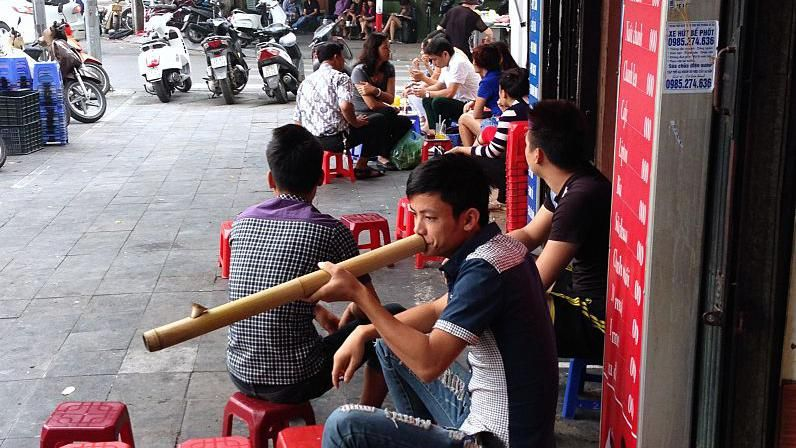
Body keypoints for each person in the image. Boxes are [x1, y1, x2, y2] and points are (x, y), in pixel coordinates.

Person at [314, 155, 558, 447]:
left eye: (429, 218)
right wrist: (363, 330)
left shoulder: (485, 271)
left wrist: (360, 296)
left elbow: (428, 363)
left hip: (497, 439)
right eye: (416, 214)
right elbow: (436, 308)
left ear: (469, 219)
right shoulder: (500, 247)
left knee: (345, 426)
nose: (418, 229)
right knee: (387, 346)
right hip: (485, 411)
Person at [226, 124, 404, 406]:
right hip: (296, 378)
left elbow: (270, 282)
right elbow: (370, 306)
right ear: (321, 178)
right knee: (391, 317)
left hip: (239, 370)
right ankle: (364, 413)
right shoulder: (330, 231)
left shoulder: (241, 222)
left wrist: (321, 313)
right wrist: (350, 318)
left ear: (270, 178)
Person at [508, 100, 611, 361]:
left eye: (526, 143)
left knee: (500, 305)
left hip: (596, 318)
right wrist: (479, 253)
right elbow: (530, 235)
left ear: (538, 154)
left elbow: (536, 282)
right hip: (578, 290)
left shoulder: (580, 196)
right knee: (492, 278)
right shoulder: (574, 180)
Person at [293, 42, 386, 179]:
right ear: (336, 57)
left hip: (310, 139)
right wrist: (355, 122)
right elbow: (345, 106)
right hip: (335, 140)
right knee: (377, 120)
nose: (344, 61)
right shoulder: (340, 77)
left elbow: (297, 118)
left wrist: (303, 141)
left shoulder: (306, 82)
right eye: (343, 57)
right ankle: (361, 166)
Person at [448, 68, 530, 207]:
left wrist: (462, 149)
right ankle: (502, 197)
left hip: (516, 170)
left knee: (471, 160)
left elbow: (493, 151)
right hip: (525, 164)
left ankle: (475, 203)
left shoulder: (511, 114)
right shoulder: (527, 107)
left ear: (503, 93)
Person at [351, 33, 413, 171]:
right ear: (374, 49)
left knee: (404, 122)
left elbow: (390, 98)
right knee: (384, 116)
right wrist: (387, 104)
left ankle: (384, 152)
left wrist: (375, 90)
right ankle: (380, 156)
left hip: (382, 110)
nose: (389, 51)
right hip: (362, 112)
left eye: (389, 47)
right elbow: (371, 104)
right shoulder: (359, 71)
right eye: (385, 48)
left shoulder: (389, 68)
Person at [411, 38, 480, 132]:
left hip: (468, 103)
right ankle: (433, 131)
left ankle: (442, 131)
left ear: (445, 54)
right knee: (427, 100)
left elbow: (450, 93)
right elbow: (439, 86)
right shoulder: (445, 63)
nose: (434, 63)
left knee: (438, 102)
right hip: (457, 100)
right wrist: (419, 91)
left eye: (435, 59)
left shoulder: (458, 63)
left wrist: (427, 92)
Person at [457, 44, 502, 147]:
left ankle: (469, 153)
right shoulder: (499, 74)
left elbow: (477, 114)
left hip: (498, 124)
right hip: (504, 119)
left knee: (464, 118)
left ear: (479, 63)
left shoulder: (486, 82)